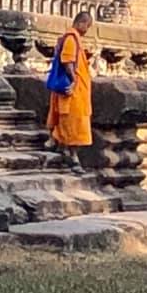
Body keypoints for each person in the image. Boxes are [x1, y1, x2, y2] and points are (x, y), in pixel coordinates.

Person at [46, 11, 94, 174]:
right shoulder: (71, 39)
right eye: (87, 26)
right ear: (81, 23)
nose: (87, 30)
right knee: (74, 123)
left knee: (73, 122)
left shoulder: (74, 39)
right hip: (72, 91)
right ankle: (73, 157)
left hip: (77, 92)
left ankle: (60, 146)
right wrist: (74, 81)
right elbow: (67, 62)